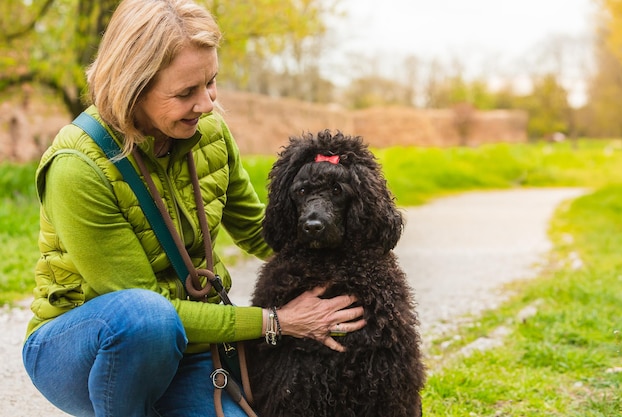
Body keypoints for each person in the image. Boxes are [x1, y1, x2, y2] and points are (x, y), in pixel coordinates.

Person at [21, 0, 366, 416]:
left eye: (211, 82)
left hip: (189, 346)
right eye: (185, 92)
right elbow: (147, 306)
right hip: (86, 345)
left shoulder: (211, 132)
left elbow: (264, 233)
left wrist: (348, 242)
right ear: (133, 87)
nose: (206, 104)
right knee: (148, 319)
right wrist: (275, 321)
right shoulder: (77, 169)